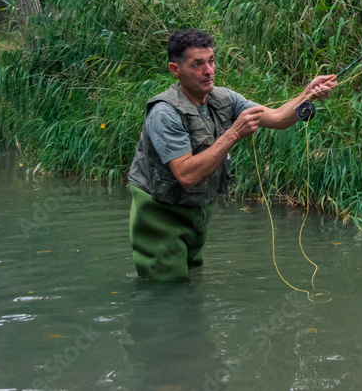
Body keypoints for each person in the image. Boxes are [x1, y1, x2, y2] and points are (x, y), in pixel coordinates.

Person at [127, 29, 337, 281]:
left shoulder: (223, 98)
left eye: (211, 61)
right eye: (198, 64)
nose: (209, 70)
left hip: (194, 211)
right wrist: (233, 134)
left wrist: (307, 94)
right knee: (163, 289)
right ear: (175, 69)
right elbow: (186, 175)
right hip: (159, 214)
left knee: (188, 282)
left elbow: (278, 118)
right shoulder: (165, 113)